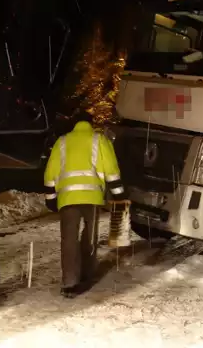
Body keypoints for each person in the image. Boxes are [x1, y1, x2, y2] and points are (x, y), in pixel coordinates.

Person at [43, 112, 127, 298]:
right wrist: (119, 195)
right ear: (91, 123)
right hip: (92, 196)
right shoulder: (99, 140)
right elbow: (112, 169)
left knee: (68, 240)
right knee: (89, 237)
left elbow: (50, 172)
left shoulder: (62, 142)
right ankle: (87, 275)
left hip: (67, 199)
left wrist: (50, 198)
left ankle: (70, 282)